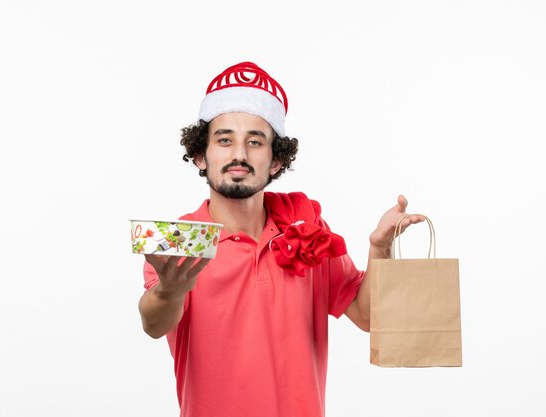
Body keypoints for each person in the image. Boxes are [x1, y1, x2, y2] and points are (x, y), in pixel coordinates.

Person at [138, 62, 424, 417]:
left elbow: (368, 318)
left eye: (255, 142)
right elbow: (153, 325)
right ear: (201, 155)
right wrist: (169, 291)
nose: (239, 154)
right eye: (224, 140)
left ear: (275, 161)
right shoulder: (182, 237)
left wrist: (379, 248)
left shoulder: (306, 225)